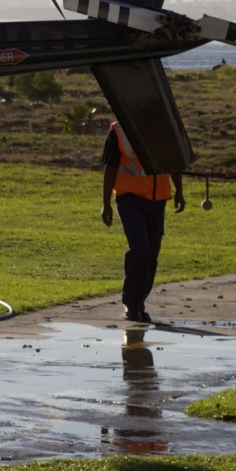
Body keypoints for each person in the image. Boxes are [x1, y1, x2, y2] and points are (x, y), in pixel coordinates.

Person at [101, 121, 185, 323]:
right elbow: (110, 168)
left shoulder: (165, 128)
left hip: (158, 200)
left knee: (151, 254)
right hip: (128, 197)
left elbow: (173, 163)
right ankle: (130, 304)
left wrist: (179, 191)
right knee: (139, 247)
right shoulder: (118, 131)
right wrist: (105, 204)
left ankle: (138, 304)